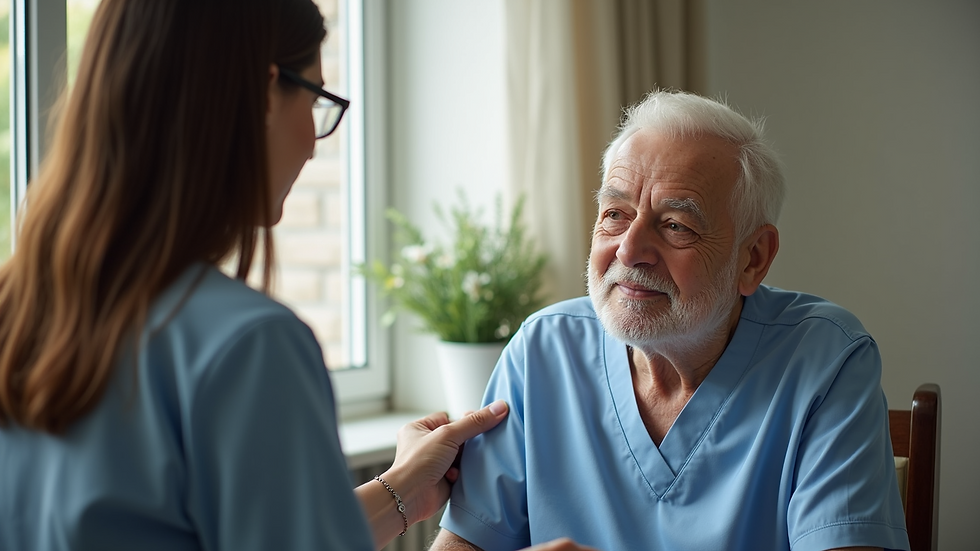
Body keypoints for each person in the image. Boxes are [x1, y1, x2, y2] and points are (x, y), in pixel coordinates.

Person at [0, 1, 598, 550]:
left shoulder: (20, 308)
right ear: (263, 94)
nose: (314, 142)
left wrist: (399, 492)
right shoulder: (247, 346)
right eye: (315, 100)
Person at [430, 90, 910, 551]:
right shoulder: (543, 350)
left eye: (677, 225)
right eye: (615, 214)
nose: (630, 250)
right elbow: (466, 544)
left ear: (753, 259)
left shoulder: (826, 359)